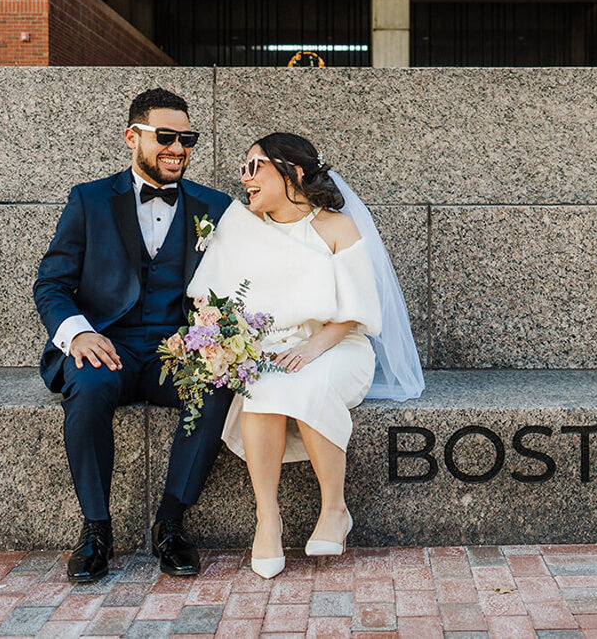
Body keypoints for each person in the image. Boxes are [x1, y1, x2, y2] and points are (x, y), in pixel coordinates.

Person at [186, 132, 423, 579]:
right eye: (243, 167)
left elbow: (356, 313)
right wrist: (227, 341)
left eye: (255, 166)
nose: (245, 177)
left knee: (307, 382)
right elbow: (208, 298)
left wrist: (312, 348)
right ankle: (268, 519)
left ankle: (335, 509)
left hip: (338, 346)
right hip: (268, 349)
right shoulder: (239, 226)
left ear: (291, 172)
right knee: (264, 386)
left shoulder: (336, 227)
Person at [33, 88, 234, 583]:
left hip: (176, 348)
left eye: (187, 138)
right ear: (132, 137)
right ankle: (96, 529)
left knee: (217, 385)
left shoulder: (216, 206)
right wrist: (76, 334)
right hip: (110, 345)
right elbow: (52, 283)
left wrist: (222, 337)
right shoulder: (90, 199)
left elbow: (238, 283)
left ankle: (170, 523)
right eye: (165, 136)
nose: (178, 148)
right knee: (88, 384)